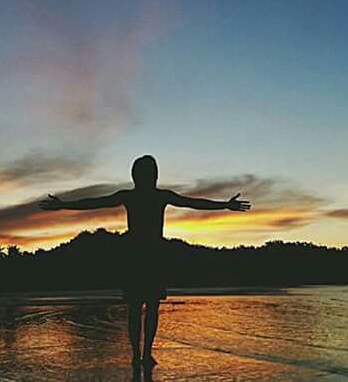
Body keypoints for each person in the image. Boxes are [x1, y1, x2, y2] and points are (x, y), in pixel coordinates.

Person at [39, 155, 251, 368]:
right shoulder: (143, 196)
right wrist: (64, 205)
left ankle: (142, 353)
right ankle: (140, 354)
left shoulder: (149, 196)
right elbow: (96, 202)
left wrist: (225, 205)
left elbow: (192, 203)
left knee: (144, 307)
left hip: (147, 258)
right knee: (143, 307)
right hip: (142, 258)